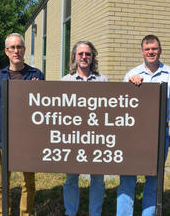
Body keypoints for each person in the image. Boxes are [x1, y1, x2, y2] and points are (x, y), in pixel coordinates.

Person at [0, 33, 45, 216]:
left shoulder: (36, 75)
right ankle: (5, 213)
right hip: (4, 138)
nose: (16, 51)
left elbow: (45, 107)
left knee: (29, 183)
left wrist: (39, 92)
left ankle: (25, 213)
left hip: (28, 140)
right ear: (6, 51)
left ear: (24, 50)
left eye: (19, 47)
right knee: (1, 184)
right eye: (12, 47)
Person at [116, 34, 170, 216]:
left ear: (160, 50)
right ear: (142, 52)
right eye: (147, 49)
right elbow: (122, 105)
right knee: (127, 178)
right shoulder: (131, 75)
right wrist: (131, 86)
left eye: (154, 48)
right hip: (134, 135)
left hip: (161, 133)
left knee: (153, 180)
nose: (151, 52)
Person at [61, 41, 108, 216]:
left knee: (98, 178)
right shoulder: (65, 81)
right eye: (80, 54)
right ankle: (70, 212)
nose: (84, 57)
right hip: (72, 137)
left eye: (87, 54)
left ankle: (95, 213)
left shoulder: (103, 80)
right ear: (74, 56)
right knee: (71, 178)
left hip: (97, 137)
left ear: (92, 56)